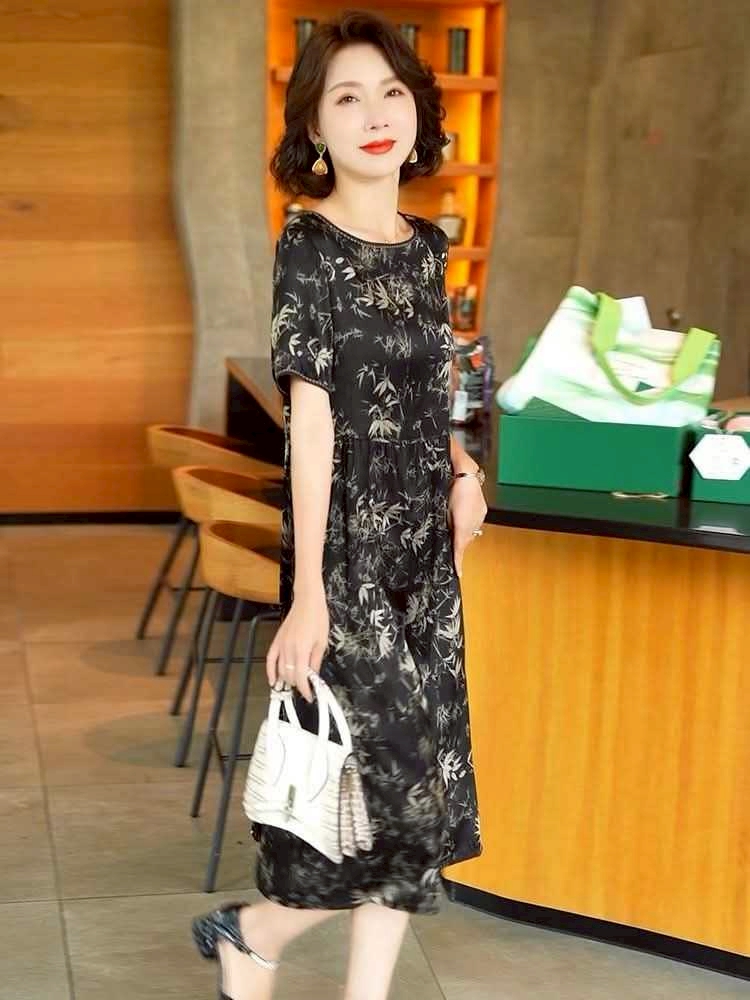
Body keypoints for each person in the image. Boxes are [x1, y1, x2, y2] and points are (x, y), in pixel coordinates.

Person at [192, 10, 487, 1000]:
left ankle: (330, 979)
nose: (374, 115)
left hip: (425, 557)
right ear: (315, 127)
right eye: (347, 98)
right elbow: (312, 424)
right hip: (348, 558)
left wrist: (461, 468)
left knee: (422, 807)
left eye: (391, 93)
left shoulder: (427, 247)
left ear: (419, 113)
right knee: (401, 807)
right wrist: (310, 594)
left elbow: (421, 392)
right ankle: (253, 930)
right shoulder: (309, 244)